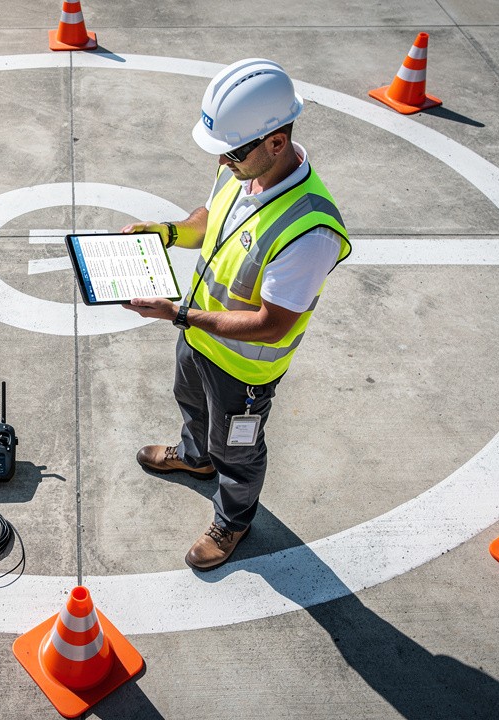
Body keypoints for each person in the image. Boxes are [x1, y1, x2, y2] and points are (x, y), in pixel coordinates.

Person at [121, 58, 351, 571]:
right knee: (191, 404)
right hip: (199, 336)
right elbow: (210, 217)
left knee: (239, 451)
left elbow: (273, 323)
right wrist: (169, 232)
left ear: (276, 142)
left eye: (233, 151)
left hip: (243, 368)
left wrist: (179, 315)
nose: (224, 162)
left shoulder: (310, 230)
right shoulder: (241, 165)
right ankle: (195, 457)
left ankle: (234, 519)